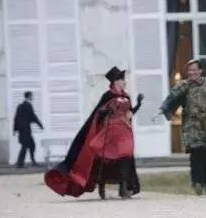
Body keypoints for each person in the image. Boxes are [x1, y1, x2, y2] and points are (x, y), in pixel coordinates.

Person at [44, 66, 143, 199]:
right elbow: (98, 113)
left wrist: (138, 105)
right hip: (110, 131)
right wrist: (105, 111)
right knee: (105, 160)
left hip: (124, 132)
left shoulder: (126, 96)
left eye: (124, 79)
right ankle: (101, 184)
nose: (124, 82)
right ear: (115, 82)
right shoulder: (108, 95)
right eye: (121, 79)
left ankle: (123, 188)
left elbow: (128, 114)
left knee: (126, 157)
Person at [160, 59, 206, 197]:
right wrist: (163, 109)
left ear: (200, 71)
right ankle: (197, 183)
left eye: (194, 70)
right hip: (191, 127)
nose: (192, 73)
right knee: (195, 154)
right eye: (190, 70)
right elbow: (172, 98)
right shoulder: (184, 86)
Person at [13, 91, 44, 168]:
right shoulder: (28, 105)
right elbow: (33, 116)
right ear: (29, 96)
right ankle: (20, 163)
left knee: (30, 145)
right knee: (27, 146)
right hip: (26, 130)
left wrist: (15, 129)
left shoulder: (20, 106)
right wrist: (40, 124)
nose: (32, 97)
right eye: (31, 96)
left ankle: (29, 162)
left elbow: (16, 118)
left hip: (22, 130)